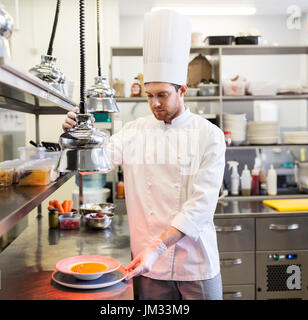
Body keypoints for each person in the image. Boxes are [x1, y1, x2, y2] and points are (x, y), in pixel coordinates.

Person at [62, 9, 225, 300]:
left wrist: (158, 247)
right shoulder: (134, 131)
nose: (155, 103)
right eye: (149, 95)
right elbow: (93, 167)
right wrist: (76, 137)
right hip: (147, 267)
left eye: (162, 95)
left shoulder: (208, 135)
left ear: (182, 90)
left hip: (195, 265)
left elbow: (200, 207)